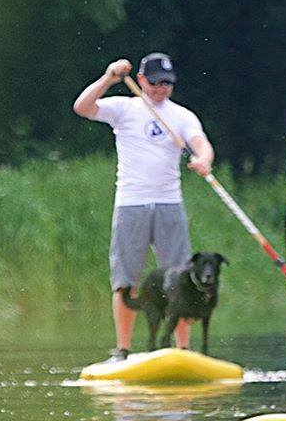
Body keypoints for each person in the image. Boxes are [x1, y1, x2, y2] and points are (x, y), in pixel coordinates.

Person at [73, 53, 214, 361]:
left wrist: (203, 160)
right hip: (131, 203)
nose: (161, 88)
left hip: (169, 202)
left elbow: (200, 142)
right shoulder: (124, 108)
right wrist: (109, 78)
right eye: (155, 82)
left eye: (167, 83)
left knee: (181, 278)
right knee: (127, 279)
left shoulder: (180, 116)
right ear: (140, 80)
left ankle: (184, 350)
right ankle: (122, 350)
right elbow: (83, 107)